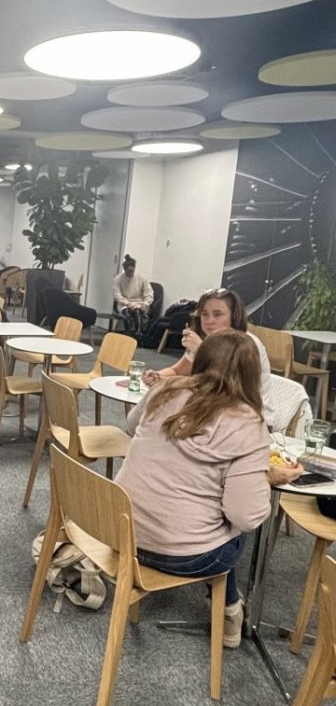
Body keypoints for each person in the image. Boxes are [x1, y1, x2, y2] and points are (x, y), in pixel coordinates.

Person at [117, 330, 301, 648]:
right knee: (231, 525)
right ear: (253, 376)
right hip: (183, 557)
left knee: (209, 504)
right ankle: (229, 610)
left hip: (119, 533)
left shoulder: (165, 388)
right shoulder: (248, 424)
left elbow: (132, 426)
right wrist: (264, 478)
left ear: (201, 359)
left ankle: (229, 609)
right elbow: (246, 517)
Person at [143, 286, 277, 428]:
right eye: (205, 314)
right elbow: (177, 371)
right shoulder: (206, 339)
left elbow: (228, 388)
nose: (209, 320)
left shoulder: (247, 344)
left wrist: (201, 351)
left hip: (250, 420)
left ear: (234, 316)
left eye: (217, 314)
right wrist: (157, 376)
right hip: (215, 411)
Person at [113, 255, 153, 336]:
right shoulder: (118, 279)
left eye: (132, 271)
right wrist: (128, 303)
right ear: (124, 270)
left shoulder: (142, 277)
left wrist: (146, 303)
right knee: (126, 314)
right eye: (128, 271)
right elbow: (117, 295)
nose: (130, 273)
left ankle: (138, 333)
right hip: (124, 303)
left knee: (137, 312)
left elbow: (149, 293)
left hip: (139, 303)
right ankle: (128, 333)